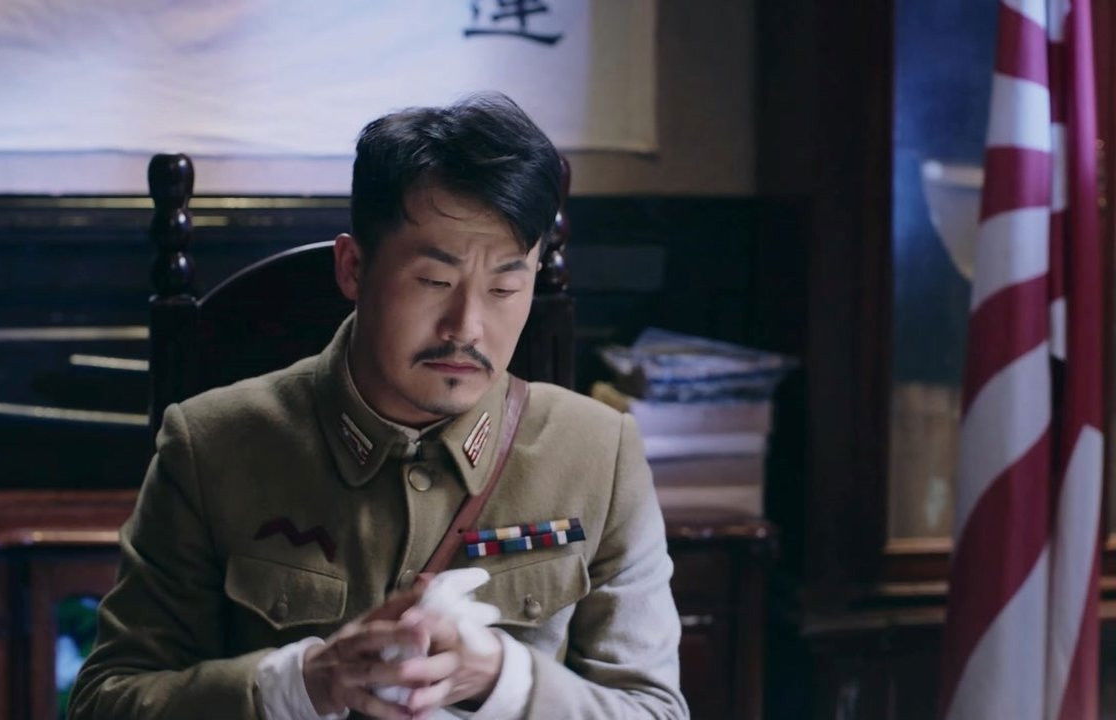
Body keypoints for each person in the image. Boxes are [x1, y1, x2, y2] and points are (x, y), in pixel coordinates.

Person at [68, 93, 688, 720]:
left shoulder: (598, 453)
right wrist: (296, 685)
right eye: (434, 282)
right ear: (353, 268)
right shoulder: (212, 445)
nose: (466, 327)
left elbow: (655, 710)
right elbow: (104, 702)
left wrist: (506, 680)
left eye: (504, 287)